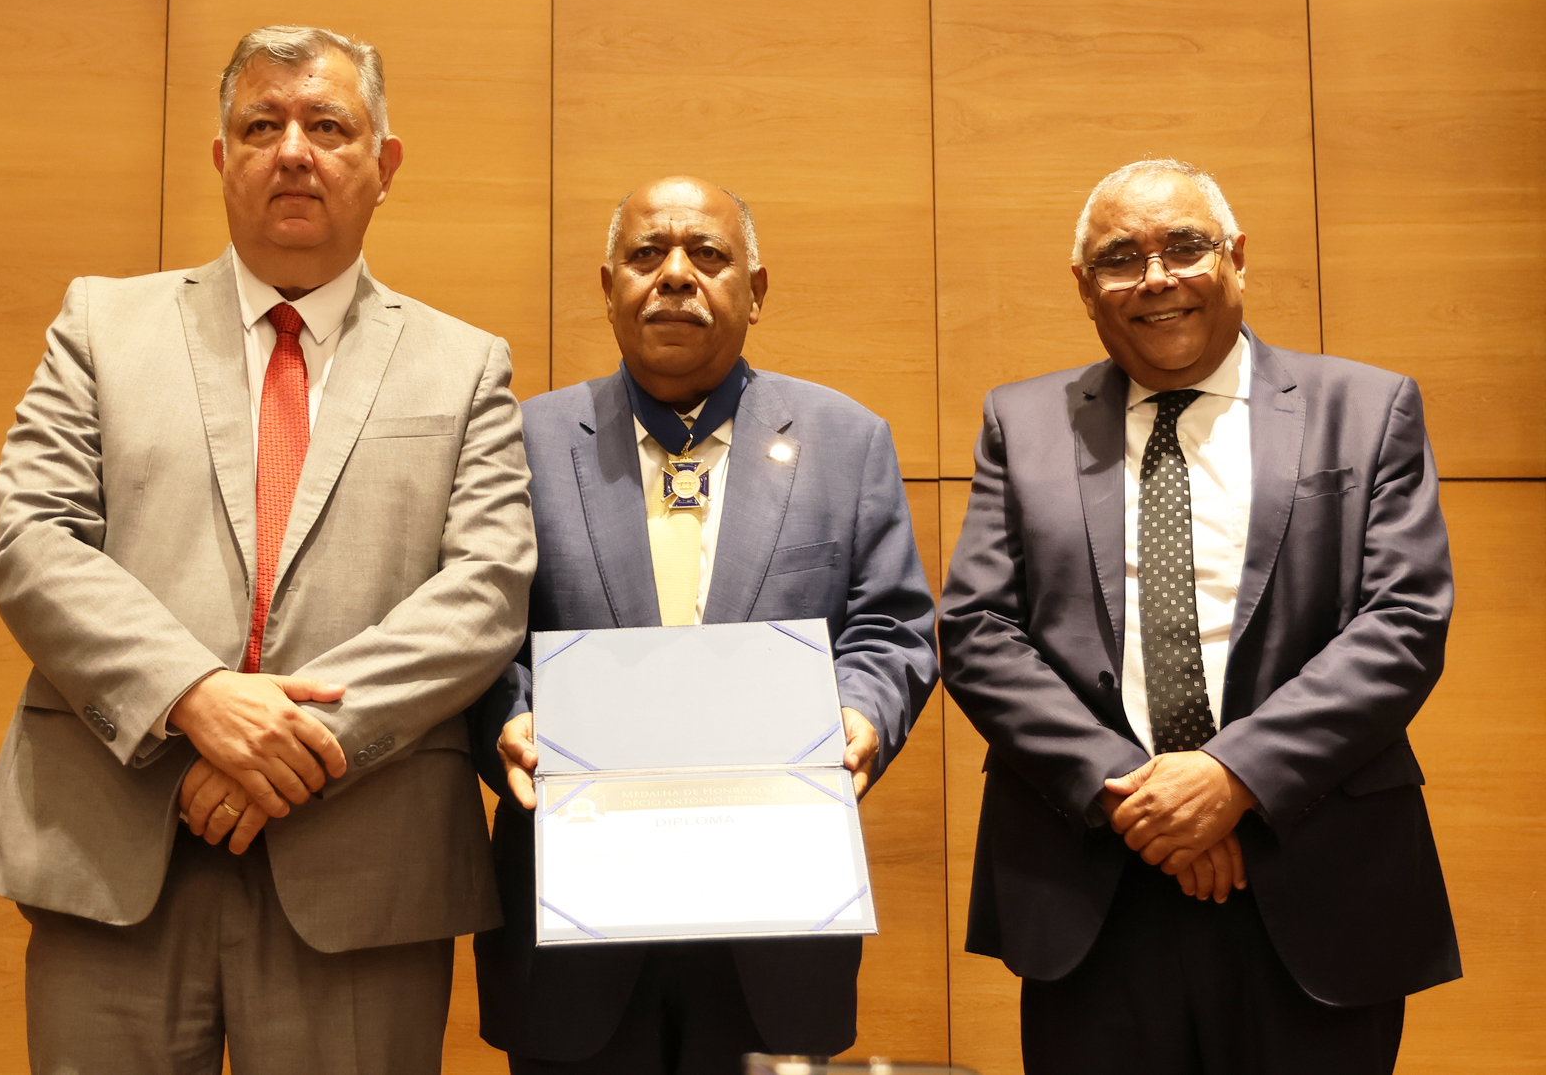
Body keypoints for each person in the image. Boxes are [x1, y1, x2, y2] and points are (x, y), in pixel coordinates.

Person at [0, 25, 536, 1075]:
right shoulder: (101, 325)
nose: (293, 150)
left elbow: (486, 589)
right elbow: (33, 539)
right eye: (261, 126)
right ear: (223, 157)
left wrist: (291, 747)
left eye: (327, 125)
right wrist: (192, 697)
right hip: (117, 838)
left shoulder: (466, 365)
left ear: (385, 163)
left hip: (364, 866)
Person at [939, 158, 1460, 1074]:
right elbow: (979, 632)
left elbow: (1404, 622)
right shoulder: (1022, 423)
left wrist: (1231, 777)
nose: (1156, 278)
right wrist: (1137, 796)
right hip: (1098, 882)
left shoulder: (1367, 408)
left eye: (1185, 247)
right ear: (1084, 287)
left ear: (1237, 257)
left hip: (1316, 872)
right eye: (1120, 258)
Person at [469, 175, 940, 1074]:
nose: (676, 275)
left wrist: (862, 713)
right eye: (647, 254)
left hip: (773, 918)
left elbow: (891, 628)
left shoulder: (846, 442)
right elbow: (481, 630)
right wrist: (508, 718)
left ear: (755, 292)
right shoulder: (521, 444)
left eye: (708, 255)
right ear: (608, 287)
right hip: (575, 920)